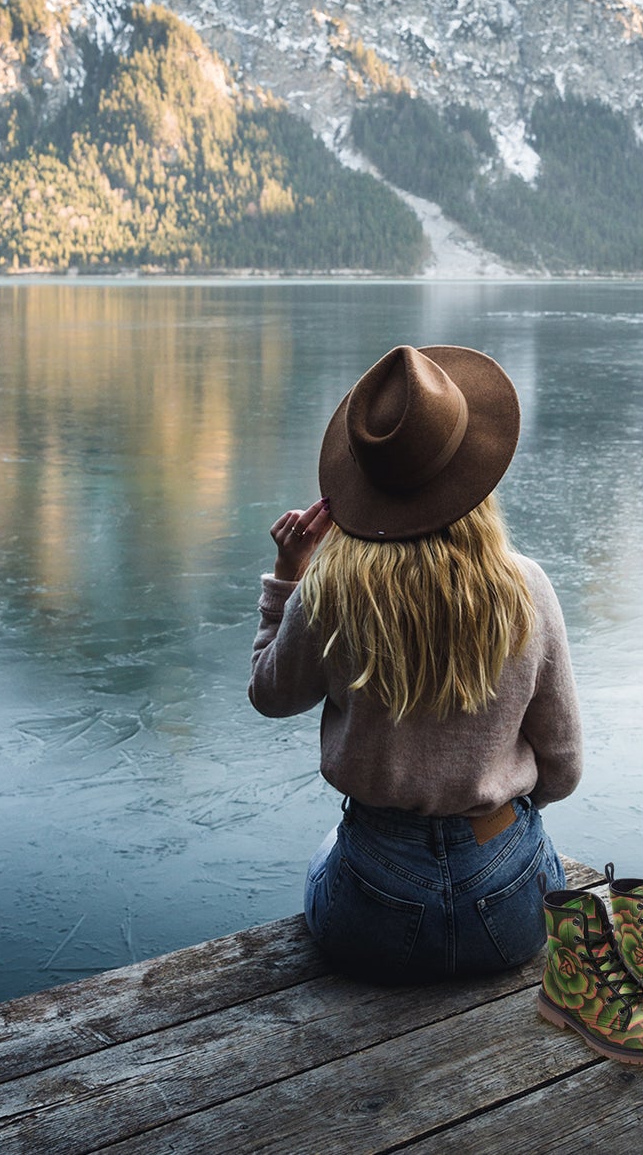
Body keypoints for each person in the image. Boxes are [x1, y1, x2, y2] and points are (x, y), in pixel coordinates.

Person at [249, 344, 583, 982]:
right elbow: (563, 769)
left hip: (374, 911)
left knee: (328, 854)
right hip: (510, 910)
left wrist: (289, 579)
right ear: (475, 473)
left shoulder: (333, 594)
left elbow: (270, 694)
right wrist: (485, 809)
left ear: (365, 483)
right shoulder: (527, 589)